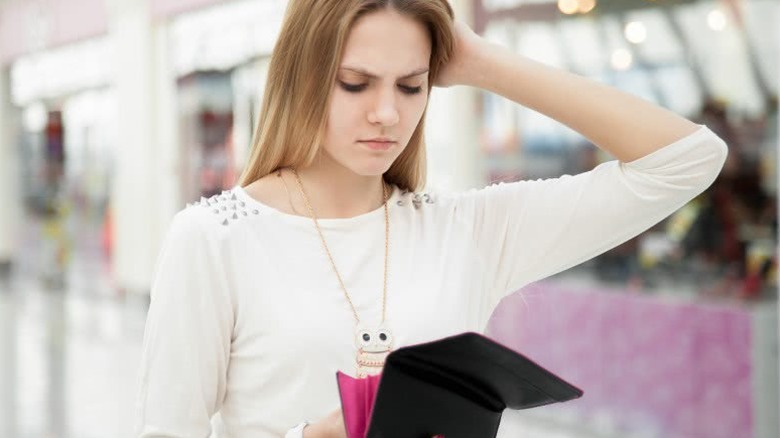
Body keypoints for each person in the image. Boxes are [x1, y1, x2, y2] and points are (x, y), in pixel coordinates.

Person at [133, 0, 728, 437]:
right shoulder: (215, 240)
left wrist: (478, 58)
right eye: (355, 83)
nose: (388, 113)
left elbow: (687, 160)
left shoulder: (465, 231)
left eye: (412, 86)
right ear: (302, 77)